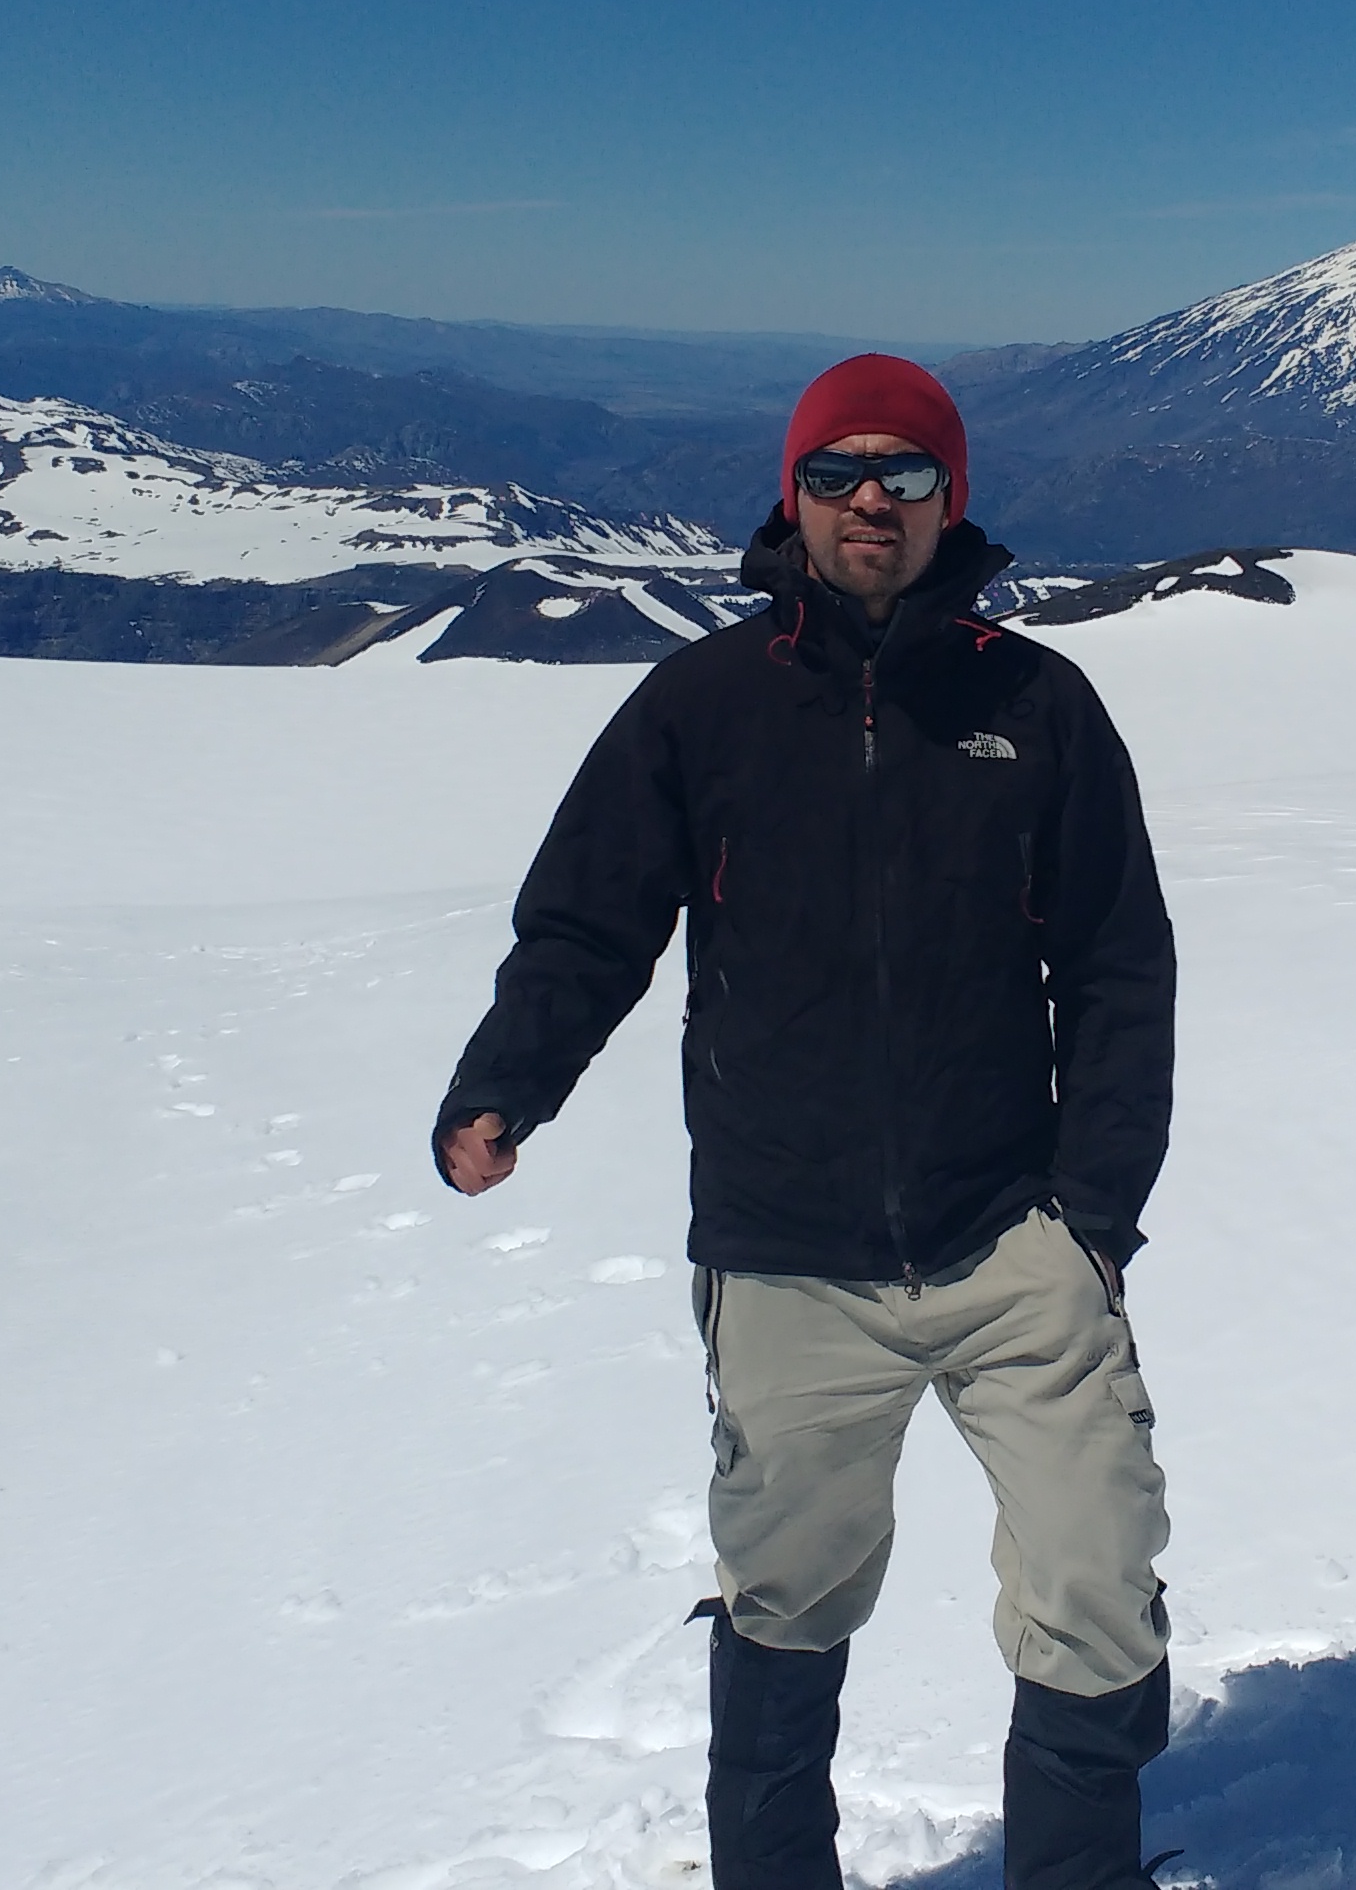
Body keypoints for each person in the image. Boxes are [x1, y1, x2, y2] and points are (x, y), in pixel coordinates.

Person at [435, 354, 1182, 1890]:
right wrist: (507, 1081)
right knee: (784, 1601)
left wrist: (1093, 1217)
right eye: (838, 472)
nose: (870, 501)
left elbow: (1119, 968)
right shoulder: (705, 705)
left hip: (1011, 1245)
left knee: (1097, 1576)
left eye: (907, 474)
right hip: (783, 1253)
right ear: (794, 495)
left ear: (952, 502)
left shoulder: (1036, 704)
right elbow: (590, 920)